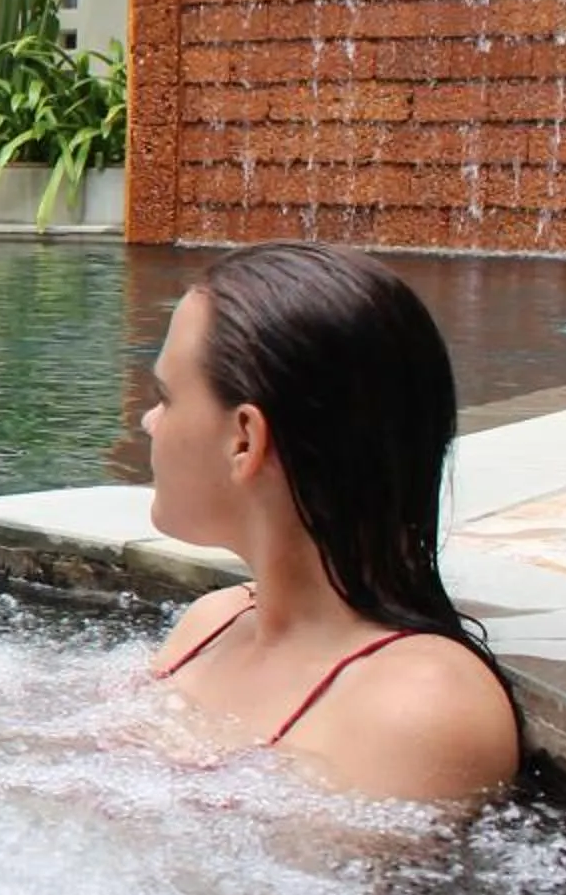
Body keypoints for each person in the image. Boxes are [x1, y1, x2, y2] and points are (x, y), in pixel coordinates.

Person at [139, 241, 518, 802]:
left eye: (165, 398)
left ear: (244, 438)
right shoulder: (212, 623)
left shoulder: (418, 709)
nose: (148, 422)